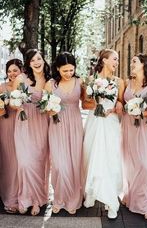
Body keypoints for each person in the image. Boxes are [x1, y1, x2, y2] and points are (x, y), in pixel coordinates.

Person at [82, 49, 124, 219]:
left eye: (118, 60)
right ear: (104, 60)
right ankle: (91, 192)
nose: (117, 62)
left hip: (111, 123)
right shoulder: (91, 80)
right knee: (92, 155)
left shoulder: (119, 81)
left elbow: (120, 102)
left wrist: (114, 108)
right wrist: (94, 101)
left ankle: (111, 200)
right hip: (94, 122)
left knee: (110, 158)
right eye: (115, 59)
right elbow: (85, 104)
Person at [12, 49, 51, 215]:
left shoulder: (49, 80)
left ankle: (37, 200)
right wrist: (17, 104)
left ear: (43, 60)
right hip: (24, 123)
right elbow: (13, 102)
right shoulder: (21, 78)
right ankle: (24, 198)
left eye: (39, 59)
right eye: (33, 60)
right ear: (28, 63)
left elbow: (51, 103)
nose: (37, 62)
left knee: (39, 162)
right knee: (25, 163)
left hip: (42, 123)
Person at [44, 52, 84, 214]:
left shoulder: (80, 82)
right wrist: (50, 111)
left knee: (74, 163)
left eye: (71, 70)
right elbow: (44, 107)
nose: (68, 74)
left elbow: (88, 102)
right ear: (57, 69)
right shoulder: (50, 84)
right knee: (60, 165)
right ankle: (59, 198)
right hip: (57, 125)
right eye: (65, 70)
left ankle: (73, 199)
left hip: (74, 125)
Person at [121, 54, 147, 219]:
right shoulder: (127, 83)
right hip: (128, 127)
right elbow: (121, 104)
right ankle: (130, 197)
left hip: (144, 129)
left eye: (134, 61)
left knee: (144, 164)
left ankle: (145, 204)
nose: (131, 63)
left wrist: (142, 112)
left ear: (144, 64)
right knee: (129, 162)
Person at [0, 59, 23, 213]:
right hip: (7, 125)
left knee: (22, 161)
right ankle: (10, 197)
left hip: (23, 125)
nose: (12, 74)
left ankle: (24, 196)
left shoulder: (25, 86)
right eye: (9, 71)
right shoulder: (2, 87)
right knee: (10, 162)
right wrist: (4, 104)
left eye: (15, 70)